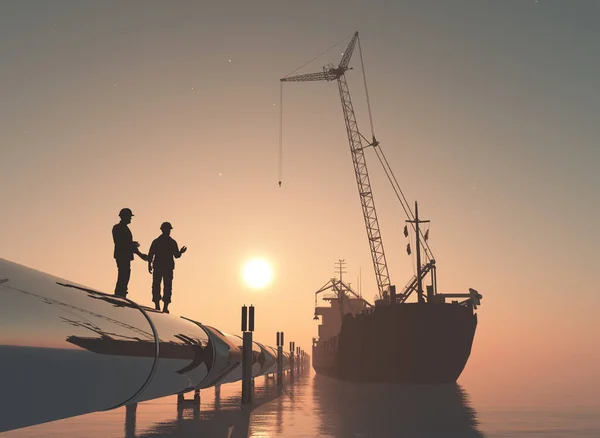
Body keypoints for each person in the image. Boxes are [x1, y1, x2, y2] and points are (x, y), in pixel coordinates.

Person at [147, 222, 187, 313]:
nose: (168, 231)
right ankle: (159, 305)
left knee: (163, 286)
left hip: (164, 268)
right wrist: (149, 264)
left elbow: (176, 255)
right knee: (161, 286)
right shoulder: (164, 242)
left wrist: (180, 252)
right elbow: (151, 254)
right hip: (162, 267)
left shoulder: (162, 242)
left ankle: (163, 306)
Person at [112, 208, 147, 298]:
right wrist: (137, 251)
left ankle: (121, 293)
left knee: (125, 274)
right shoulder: (118, 228)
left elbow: (126, 243)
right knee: (123, 274)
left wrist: (138, 252)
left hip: (124, 255)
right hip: (122, 255)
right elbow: (121, 242)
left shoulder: (123, 228)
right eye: (129, 217)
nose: (130, 219)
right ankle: (120, 293)